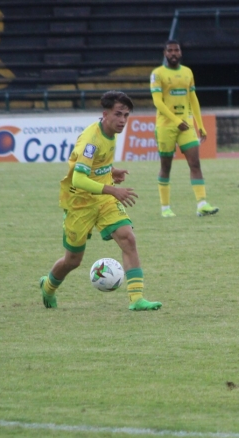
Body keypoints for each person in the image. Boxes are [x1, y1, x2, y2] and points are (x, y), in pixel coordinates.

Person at [39, 91, 162, 312]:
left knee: (128, 238)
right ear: (105, 114)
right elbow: (78, 178)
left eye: (126, 115)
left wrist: (111, 171)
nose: (123, 120)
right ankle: (48, 286)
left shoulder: (111, 132)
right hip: (80, 203)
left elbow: (98, 165)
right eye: (118, 114)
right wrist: (113, 190)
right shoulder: (90, 141)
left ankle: (136, 299)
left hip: (104, 198)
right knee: (73, 260)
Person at [150, 39, 218, 218]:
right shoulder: (157, 74)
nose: (173, 53)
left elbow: (193, 98)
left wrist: (200, 125)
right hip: (166, 126)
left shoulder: (188, 72)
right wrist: (175, 120)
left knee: (195, 163)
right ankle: (165, 208)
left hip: (186, 125)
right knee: (166, 166)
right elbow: (157, 101)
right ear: (165, 53)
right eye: (170, 50)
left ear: (180, 53)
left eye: (176, 50)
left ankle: (202, 204)